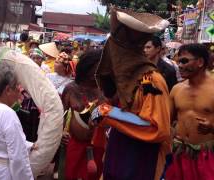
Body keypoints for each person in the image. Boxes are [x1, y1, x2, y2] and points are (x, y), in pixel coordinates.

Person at [93, 7, 171, 180]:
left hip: (139, 161)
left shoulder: (149, 79)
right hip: (118, 153)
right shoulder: (126, 80)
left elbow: (157, 127)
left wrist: (110, 113)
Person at [166, 43, 214, 180]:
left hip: (207, 157)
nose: (179, 65)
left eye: (184, 61)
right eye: (178, 61)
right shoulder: (176, 89)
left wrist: (211, 127)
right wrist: (172, 136)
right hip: (180, 155)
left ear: (200, 62)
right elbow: (167, 122)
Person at [61, 49, 107, 180]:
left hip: (99, 147)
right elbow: (60, 115)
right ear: (86, 68)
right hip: (75, 145)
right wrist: (61, 133)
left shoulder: (106, 89)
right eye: (95, 69)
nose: (98, 73)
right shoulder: (71, 88)